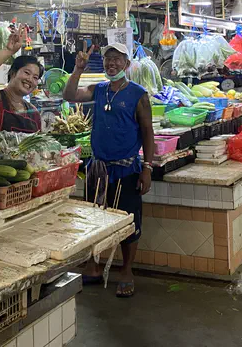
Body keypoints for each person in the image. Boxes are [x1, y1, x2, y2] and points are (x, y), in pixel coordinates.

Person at [63, 42, 155, 298]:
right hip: (98, 169)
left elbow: (148, 132)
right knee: (95, 219)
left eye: (116, 59)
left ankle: (126, 271)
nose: (111, 63)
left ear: (126, 63)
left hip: (127, 170)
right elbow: (69, 96)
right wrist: (77, 70)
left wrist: (147, 168)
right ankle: (93, 266)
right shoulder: (99, 90)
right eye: (107, 59)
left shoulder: (138, 94)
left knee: (129, 221)